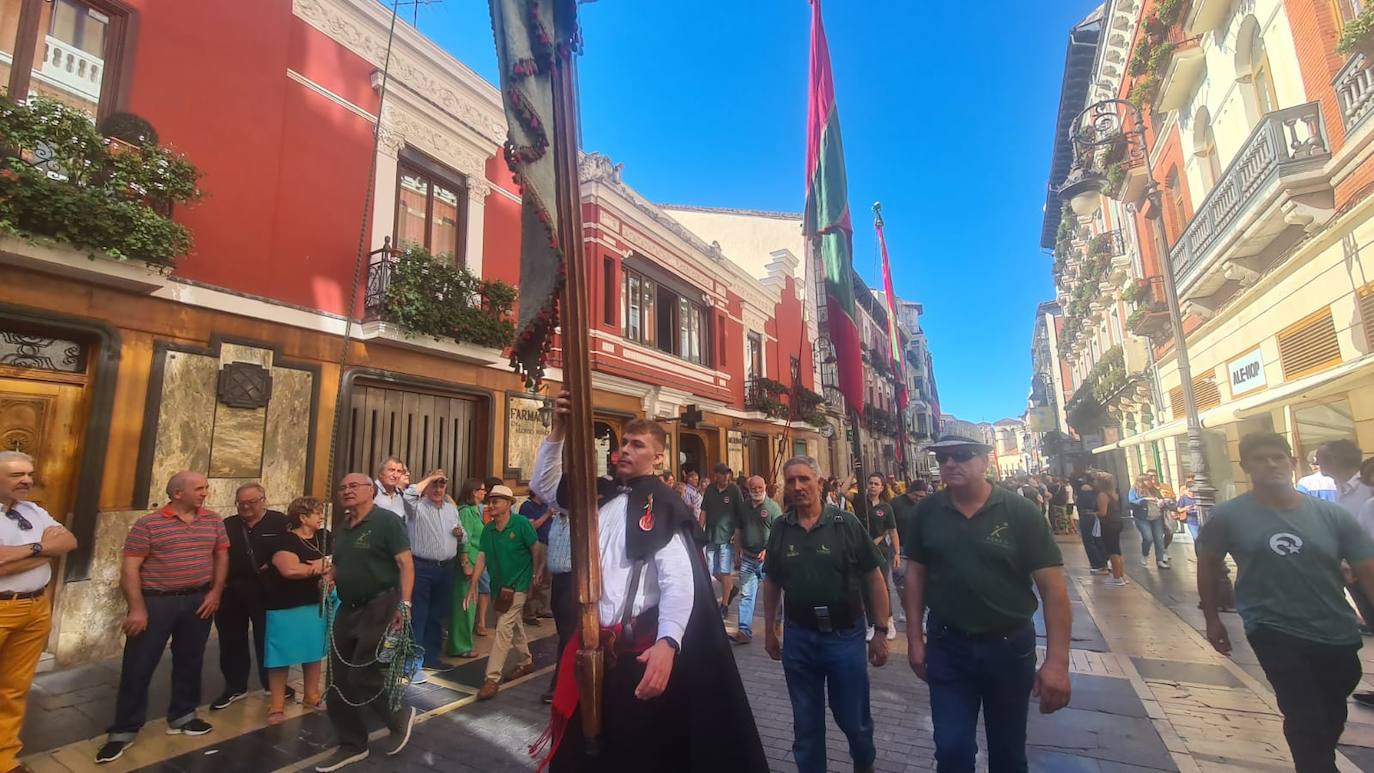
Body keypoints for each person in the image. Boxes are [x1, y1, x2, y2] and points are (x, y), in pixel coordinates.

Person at [533, 390, 768, 772]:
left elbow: (679, 580)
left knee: (633, 751)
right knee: (583, 749)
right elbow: (544, 487)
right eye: (623, 442)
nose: (624, 449)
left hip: (631, 650)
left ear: (658, 457)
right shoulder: (603, 494)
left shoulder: (663, 504)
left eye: (637, 444)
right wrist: (558, 431)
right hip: (589, 644)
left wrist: (668, 642)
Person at [1198, 432, 1374, 773]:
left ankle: (1318, 757)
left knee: (1334, 708)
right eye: (1261, 459)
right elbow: (1208, 564)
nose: (1271, 464)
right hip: (1271, 626)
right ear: (1246, 466)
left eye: (1278, 457)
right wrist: (1212, 618)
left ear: (1292, 463)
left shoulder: (1332, 515)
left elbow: (1367, 570)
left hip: (1334, 627)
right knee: (1303, 712)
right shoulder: (1229, 516)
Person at [905, 438, 1071, 772]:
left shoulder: (1019, 511)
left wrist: (1057, 663)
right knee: (951, 750)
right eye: (943, 457)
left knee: (1008, 751)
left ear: (985, 460)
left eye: (962, 456)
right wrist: (914, 640)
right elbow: (914, 577)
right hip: (948, 645)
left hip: (1009, 648)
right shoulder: (927, 511)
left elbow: (1054, 592)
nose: (951, 463)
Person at [762, 456, 888, 773]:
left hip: (845, 635)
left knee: (852, 717)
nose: (797, 486)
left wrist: (881, 632)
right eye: (791, 481)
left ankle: (864, 764)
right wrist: (769, 630)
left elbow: (874, 578)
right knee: (805, 722)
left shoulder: (845, 524)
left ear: (820, 484)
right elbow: (773, 581)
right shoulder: (780, 528)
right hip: (799, 636)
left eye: (804, 479)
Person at [97, 472, 228, 764]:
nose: (205, 493)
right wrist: (137, 608)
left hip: (198, 600)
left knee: (191, 659)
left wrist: (215, 592)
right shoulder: (149, 525)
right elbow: (130, 568)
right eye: (199, 488)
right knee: (139, 664)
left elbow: (221, 557)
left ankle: (183, 715)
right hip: (157, 602)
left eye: (205, 488)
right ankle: (124, 729)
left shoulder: (213, 520)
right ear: (177, 493)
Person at [315, 472, 416, 773]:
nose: (346, 491)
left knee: (362, 673)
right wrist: (331, 576)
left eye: (353, 486)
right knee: (336, 680)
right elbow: (342, 563)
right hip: (349, 606)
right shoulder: (343, 527)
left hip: (382, 603)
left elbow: (405, 563)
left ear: (370, 491)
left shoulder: (386, 522)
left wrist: (405, 604)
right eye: (342, 487)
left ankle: (398, 716)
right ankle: (352, 745)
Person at [0, 451, 76, 772]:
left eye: (29, 474)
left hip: (35, 607)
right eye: (17, 475)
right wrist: (46, 550)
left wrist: (29, 551)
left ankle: (4, 758)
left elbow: (69, 542)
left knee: (14, 688)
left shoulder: (34, 510)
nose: (27, 481)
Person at [211, 483, 289, 711]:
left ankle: (272, 684)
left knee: (269, 638)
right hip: (233, 589)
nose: (245, 507)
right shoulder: (228, 524)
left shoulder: (279, 522)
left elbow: (290, 548)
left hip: (268, 590)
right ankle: (235, 686)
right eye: (241, 503)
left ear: (263, 499)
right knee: (231, 639)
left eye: (251, 502)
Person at [464, 485, 537, 700]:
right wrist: (473, 585)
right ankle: (526, 661)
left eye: (496, 501)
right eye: (490, 500)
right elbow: (481, 557)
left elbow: (535, 549)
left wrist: (536, 576)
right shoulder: (489, 529)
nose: (491, 504)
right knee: (513, 624)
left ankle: (491, 678)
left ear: (507, 504)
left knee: (503, 627)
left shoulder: (521, 524)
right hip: (500, 587)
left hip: (519, 586)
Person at [263, 496, 332, 724]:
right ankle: (276, 704)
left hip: (315, 603)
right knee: (280, 654)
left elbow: (337, 562)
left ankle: (311, 695)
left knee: (313, 651)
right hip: (285, 603)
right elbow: (290, 570)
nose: (322, 516)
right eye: (317, 512)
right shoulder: (284, 540)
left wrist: (321, 568)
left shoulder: (325, 537)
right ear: (303, 517)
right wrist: (319, 567)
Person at [401, 469, 458, 685]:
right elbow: (408, 495)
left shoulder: (451, 509)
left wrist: (461, 535)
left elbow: (461, 534)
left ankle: (432, 658)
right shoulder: (416, 508)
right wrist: (429, 479)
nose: (437, 488)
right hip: (421, 567)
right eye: (434, 484)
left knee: (437, 615)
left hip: (445, 568)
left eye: (441, 484)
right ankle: (412, 665)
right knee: (419, 615)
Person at [731, 475, 779, 645]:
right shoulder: (743, 507)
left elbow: (779, 534)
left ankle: (775, 625)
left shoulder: (773, 508)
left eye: (760, 488)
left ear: (765, 487)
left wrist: (768, 550)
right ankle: (744, 631)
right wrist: (736, 552)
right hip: (748, 559)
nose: (757, 491)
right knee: (746, 595)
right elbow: (738, 530)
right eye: (754, 488)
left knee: (772, 595)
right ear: (748, 489)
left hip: (768, 560)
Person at [858, 472, 900, 642]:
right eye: (870, 483)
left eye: (876, 484)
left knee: (882, 586)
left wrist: (897, 553)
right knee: (865, 588)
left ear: (882, 488)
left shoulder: (886, 508)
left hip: (880, 552)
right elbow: (841, 493)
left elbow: (893, 531)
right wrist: (855, 471)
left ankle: (888, 621)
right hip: (862, 551)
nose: (873, 486)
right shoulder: (861, 502)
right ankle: (871, 624)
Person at [702, 462, 747, 618]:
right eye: (723, 473)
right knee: (713, 570)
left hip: (727, 537)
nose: (726, 476)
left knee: (725, 571)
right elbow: (704, 510)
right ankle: (731, 589)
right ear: (717, 475)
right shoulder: (710, 490)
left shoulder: (734, 490)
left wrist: (738, 534)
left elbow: (741, 513)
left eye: (728, 473)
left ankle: (724, 605)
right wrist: (699, 530)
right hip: (711, 535)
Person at [447, 479, 488, 649]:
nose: (484, 493)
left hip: (476, 560)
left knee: (470, 603)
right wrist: (465, 562)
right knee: (465, 603)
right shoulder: (466, 512)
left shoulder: (474, 511)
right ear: (474, 492)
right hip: (468, 561)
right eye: (482, 490)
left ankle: (464, 643)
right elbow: (465, 539)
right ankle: (460, 646)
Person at [541, 501, 574, 705]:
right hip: (558, 581)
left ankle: (559, 683)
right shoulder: (555, 522)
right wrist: (541, 570)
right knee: (563, 634)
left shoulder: (579, 521)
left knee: (568, 636)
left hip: (573, 579)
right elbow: (551, 549)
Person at [890, 479, 930, 623]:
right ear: (909, 492)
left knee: (922, 582)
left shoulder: (926, 505)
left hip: (921, 548)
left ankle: (923, 616)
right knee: (900, 581)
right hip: (900, 547)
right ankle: (906, 606)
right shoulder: (895, 503)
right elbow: (889, 524)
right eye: (916, 496)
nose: (918, 499)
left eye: (922, 496)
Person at [519, 490, 554, 626]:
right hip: (536, 543)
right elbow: (531, 527)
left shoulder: (546, 505)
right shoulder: (527, 506)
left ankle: (542, 608)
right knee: (535, 578)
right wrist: (547, 515)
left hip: (548, 542)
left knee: (546, 578)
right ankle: (529, 612)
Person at [1129, 474, 1169, 570]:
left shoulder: (1154, 490)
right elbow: (1131, 501)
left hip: (1156, 516)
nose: (1151, 481)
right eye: (1148, 480)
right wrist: (1144, 499)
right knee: (1148, 538)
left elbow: (1160, 500)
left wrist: (1163, 502)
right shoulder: (1134, 490)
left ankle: (1160, 560)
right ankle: (1145, 554)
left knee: (1159, 539)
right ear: (1142, 482)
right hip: (1142, 518)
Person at [1095, 472, 1128, 587]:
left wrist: (1093, 513)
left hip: (1108, 524)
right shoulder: (1114, 494)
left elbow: (1102, 512)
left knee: (1112, 551)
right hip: (1117, 522)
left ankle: (1116, 577)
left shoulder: (1102, 495)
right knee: (1117, 550)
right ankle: (1121, 574)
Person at [1073, 473, 1107, 575]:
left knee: (1088, 541)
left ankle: (1097, 564)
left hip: (1086, 516)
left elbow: (1080, 504)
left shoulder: (1084, 489)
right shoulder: (1098, 491)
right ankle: (1103, 562)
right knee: (1097, 540)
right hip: (1095, 516)